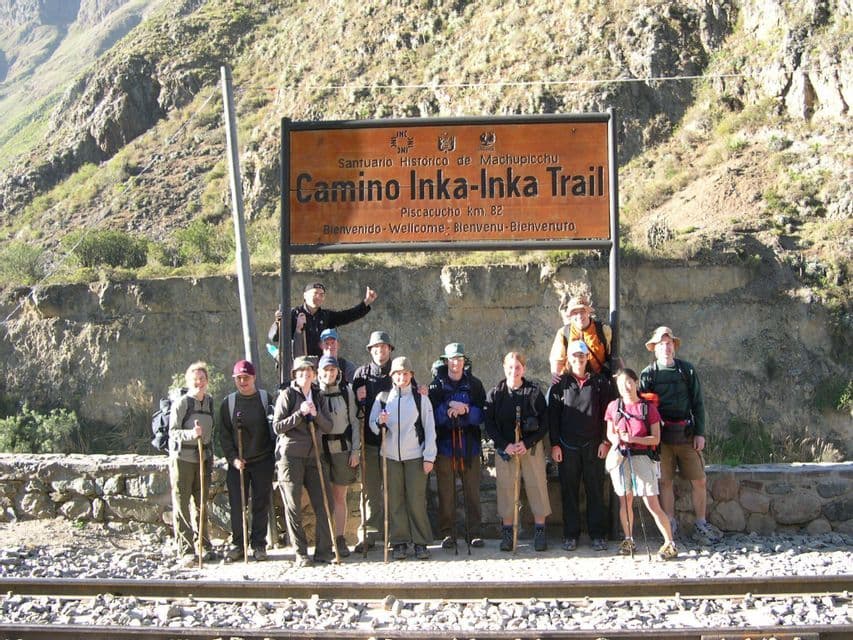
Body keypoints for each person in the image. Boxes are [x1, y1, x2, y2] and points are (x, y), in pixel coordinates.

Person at [639, 326, 722, 545]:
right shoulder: (648, 374)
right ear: (654, 349)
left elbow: (698, 403)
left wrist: (700, 433)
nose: (666, 347)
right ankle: (671, 524)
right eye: (661, 344)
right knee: (665, 482)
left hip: (686, 434)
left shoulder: (687, 371)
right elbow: (644, 409)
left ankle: (701, 524)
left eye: (669, 343)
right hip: (662, 438)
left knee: (699, 480)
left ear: (674, 347)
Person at [368, 356, 437, 560]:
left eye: (405, 373)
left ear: (411, 375)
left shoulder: (420, 399)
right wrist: (378, 422)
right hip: (389, 457)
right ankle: (399, 541)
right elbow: (372, 425)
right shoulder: (382, 398)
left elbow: (430, 428)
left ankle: (420, 542)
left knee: (416, 500)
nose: (402, 377)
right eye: (398, 373)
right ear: (392, 376)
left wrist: (429, 457)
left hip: (415, 455)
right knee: (395, 500)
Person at [605, 368, 677, 559]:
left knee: (651, 502)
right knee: (625, 500)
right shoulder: (614, 407)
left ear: (636, 382)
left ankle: (670, 543)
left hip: (642, 458)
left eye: (629, 382)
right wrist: (618, 440)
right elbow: (610, 432)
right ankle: (629, 540)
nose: (626, 386)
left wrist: (634, 439)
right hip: (622, 457)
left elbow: (655, 439)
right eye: (621, 384)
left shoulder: (648, 408)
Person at [548, 340, 612, 552]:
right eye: (574, 356)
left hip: (594, 445)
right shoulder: (560, 384)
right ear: (569, 359)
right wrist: (555, 445)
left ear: (587, 358)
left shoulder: (600, 382)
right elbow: (553, 417)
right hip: (567, 446)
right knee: (569, 491)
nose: (578, 360)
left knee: (595, 490)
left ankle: (597, 534)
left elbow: (607, 414)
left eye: (582, 356)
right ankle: (570, 534)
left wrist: (605, 441)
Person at [485, 351, 551, 552]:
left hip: (530, 448)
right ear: (504, 367)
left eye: (518, 367)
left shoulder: (534, 392)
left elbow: (545, 422)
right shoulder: (495, 393)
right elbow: (489, 424)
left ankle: (540, 532)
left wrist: (528, 442)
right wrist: (505, 445)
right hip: (505, 448)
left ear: (524, 368)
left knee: (537, 485)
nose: (514, 371)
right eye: (510, 367)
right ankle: (507, 533)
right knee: (506, 488)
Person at [272, 356, 335, 567]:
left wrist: (316, 415)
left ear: (314, 375)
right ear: (295, 375)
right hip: (290, 457)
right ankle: (301, 553)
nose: (305, 375)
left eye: (309, 372)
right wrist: (300, 414)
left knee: (325, 503)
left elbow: (329, 426)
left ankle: (324, 551)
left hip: (314, 456)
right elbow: (278, 427)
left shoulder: (319, 396)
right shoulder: (287, 395)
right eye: (301, 372)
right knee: (293, 506)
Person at [428, 342, 486, 550]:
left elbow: (482, 414)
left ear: (464, 361)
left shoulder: (475, 384)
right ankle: (448, 534)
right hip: (445, 446)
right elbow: (431, 416)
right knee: (446, 493)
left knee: (472, 491)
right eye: (452, 359)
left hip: (469, 445)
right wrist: (448, 407)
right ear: (446, 361)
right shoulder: (435, 387)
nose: (456, 363)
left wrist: (465, 410)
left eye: (459, 359)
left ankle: (475, 533)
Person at [219, 359, 275, 562]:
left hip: (262, 461)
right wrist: (233, 459)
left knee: (260, 505)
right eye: (239, 378)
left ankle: (259, 544)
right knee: (237, 504)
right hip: (238, 464)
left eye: (246, 377)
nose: (243, 381)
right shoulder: (228, 403)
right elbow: (224, 435)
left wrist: (272, 457)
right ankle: (238, 544)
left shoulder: (265, 398)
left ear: (254, 378)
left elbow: (272, 430)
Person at [350, 330, 395, 553]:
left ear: (389, 349)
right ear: (371, 350)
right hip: (369, 441)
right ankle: (367, 534)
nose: (381, 351)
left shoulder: (399, 371)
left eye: (384, 347)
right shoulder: (360, 374)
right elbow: (353, 409)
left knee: (393, 489)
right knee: (369, 490)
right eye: (376, 348)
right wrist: (358, 401)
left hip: (393, 442)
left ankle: (393, 533)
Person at [167, 361, 216, 566]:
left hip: (203, 458)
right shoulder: (182, 403)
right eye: (195, 379)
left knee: (201, 503)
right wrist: (190, 434)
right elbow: (172, 432)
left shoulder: (210, 402)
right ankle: (186, 549)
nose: (199, 382)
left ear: (207, 381)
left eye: (202, 378)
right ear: (189, 381)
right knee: (182, 505)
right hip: (183, 460)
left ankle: (204, 545)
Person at [316, 355, 360, 558]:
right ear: (319, 372)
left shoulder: (346, 391)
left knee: (339, 497)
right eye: (325, 370)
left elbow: (354, 421)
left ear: (337, 372)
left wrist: (355, 450)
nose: (329, 374)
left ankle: (340, 538)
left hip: (342, 448)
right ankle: (324, 540)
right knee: (322, 498)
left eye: (332, 370)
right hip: (320, 451)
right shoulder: (314, 393)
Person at [269, 282, 378, 358]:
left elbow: (348, 315)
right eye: (315, 293)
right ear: (305, 295)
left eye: (321, 295)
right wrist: (279, 322)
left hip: (322, 364)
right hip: (300, 365)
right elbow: (274, 337)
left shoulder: (326, 316)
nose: (318, 297)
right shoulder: (293, 314)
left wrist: (366, 302)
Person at [548, 295, 613, 379]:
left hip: (599, 381)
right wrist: (556, 377)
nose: (579, 316)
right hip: (572, 382)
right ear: (570, 315)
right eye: (575, 313)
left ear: (588, 312)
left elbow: (613, 356)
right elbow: (557, 360)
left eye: (582, 311)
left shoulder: (604, 330)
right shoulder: (563, 333)